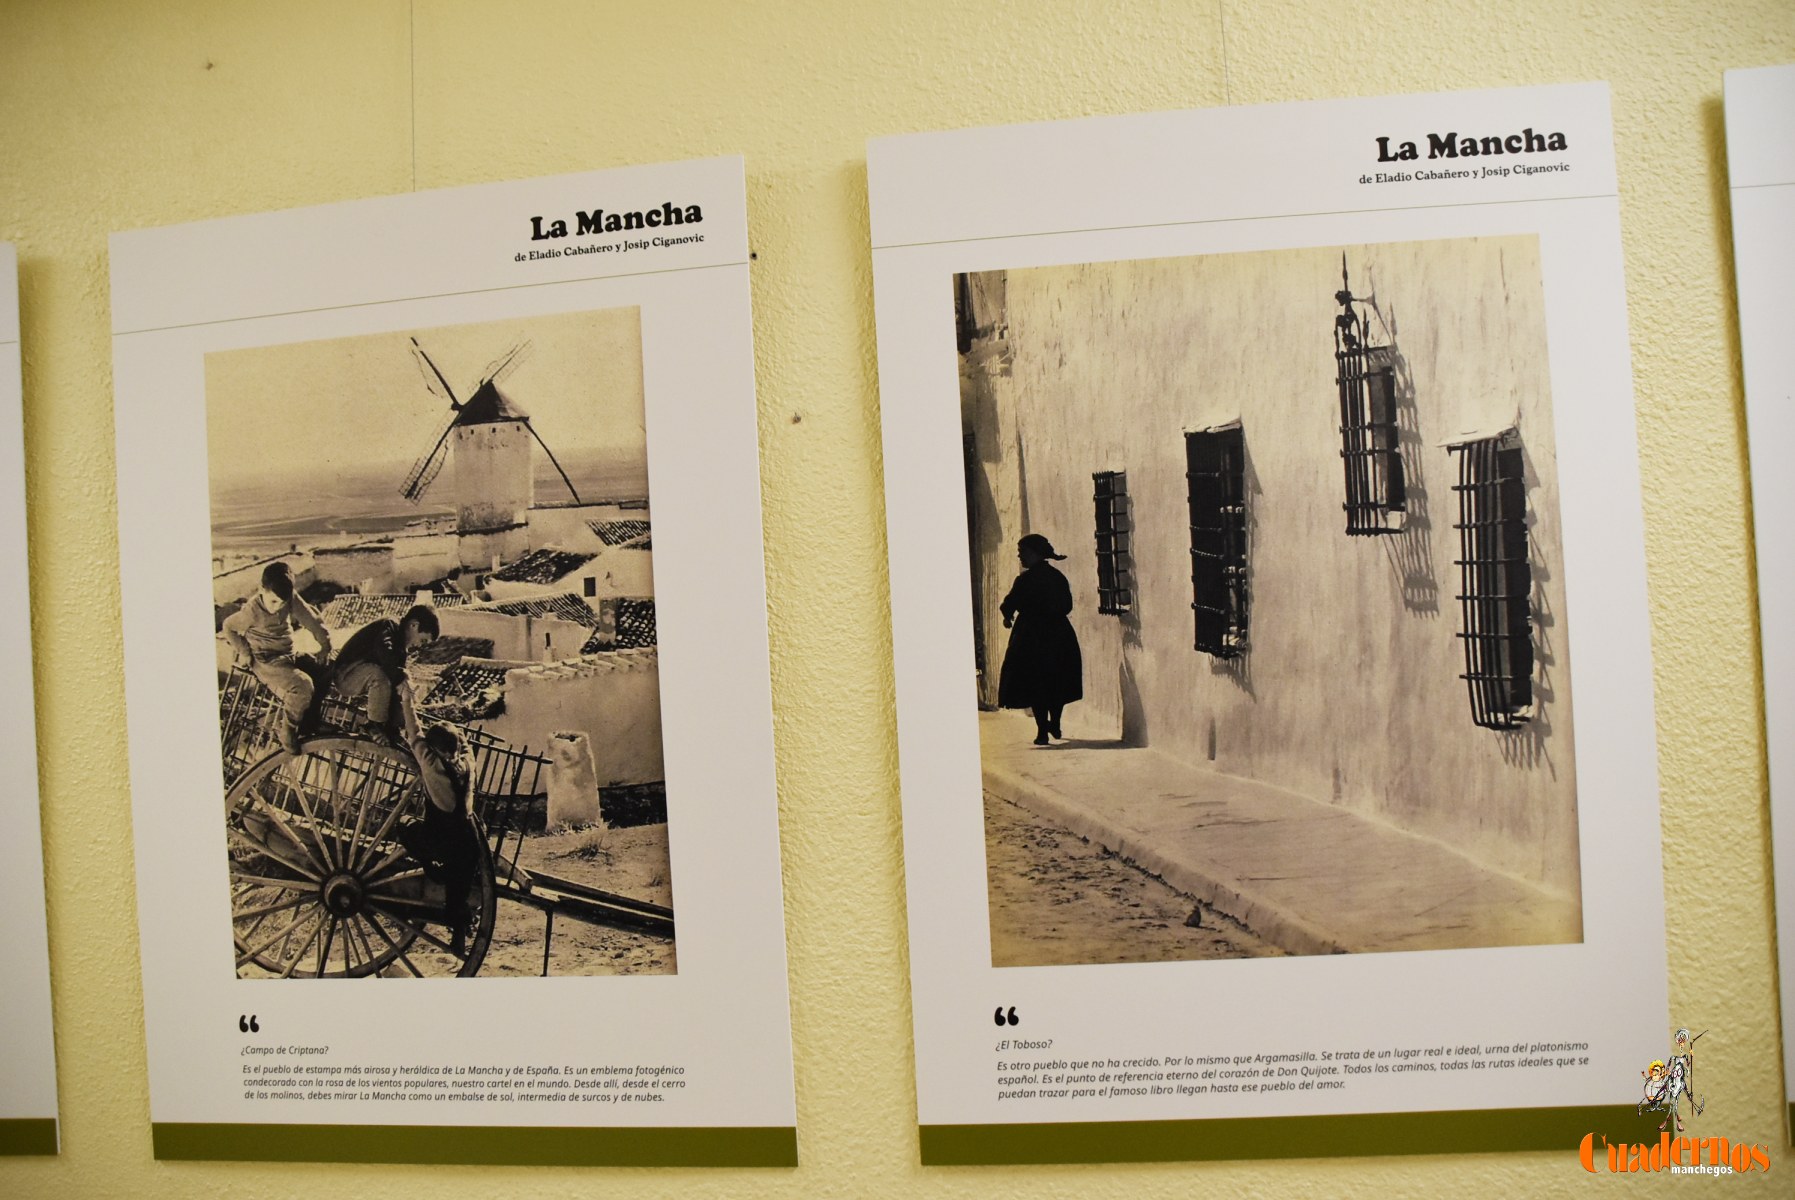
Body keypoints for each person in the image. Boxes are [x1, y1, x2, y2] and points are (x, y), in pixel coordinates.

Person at [222, 561, 332, 755]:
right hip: (266, 660)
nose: (278, 607)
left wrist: (325, 645)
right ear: (261, 589)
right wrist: (245, 652)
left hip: (287, 654)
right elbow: (228, 627)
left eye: (282, 603)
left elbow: (310, 620)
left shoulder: (288, 597)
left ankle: (310, 723)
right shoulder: (252, 611)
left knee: (324, 670)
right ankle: (288, 730)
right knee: (303, 685)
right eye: (273, 601)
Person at [396, 702, 480, 958]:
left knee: (403, 825)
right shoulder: (468, 763)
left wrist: (407, 700)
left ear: (435, 750)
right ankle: (458, 932)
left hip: (439, 839)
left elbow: (414, 733)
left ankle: (429, 866)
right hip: (469, 839)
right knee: (458, 888)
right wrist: (457, 732)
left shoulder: (431, 764)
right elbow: (464, 744)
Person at [997, 533, 1083, 746]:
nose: (1020, 557)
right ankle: (1053, 724)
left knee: (1037, 682)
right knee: (1055, 680)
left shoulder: (1026, 580)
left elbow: (1009, 603)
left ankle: (1044, 729)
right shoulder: (1056, 577)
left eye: (1023, 552)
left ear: (1035, 553)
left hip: (1030, 637)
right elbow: (1066, 605)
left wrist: (1008, 616)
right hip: (1057, 635)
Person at [331, 604, 439, 744]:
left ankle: (392, 729)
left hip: (362, 675)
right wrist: (401, 676)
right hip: (345, 675)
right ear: (414, 625)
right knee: (382, 674)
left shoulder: (401, 650)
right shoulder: (389, 625)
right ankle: (374, 725)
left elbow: (395, 686)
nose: (419, 645)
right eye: (422, 640)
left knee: (399, 684)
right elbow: (384, 651)